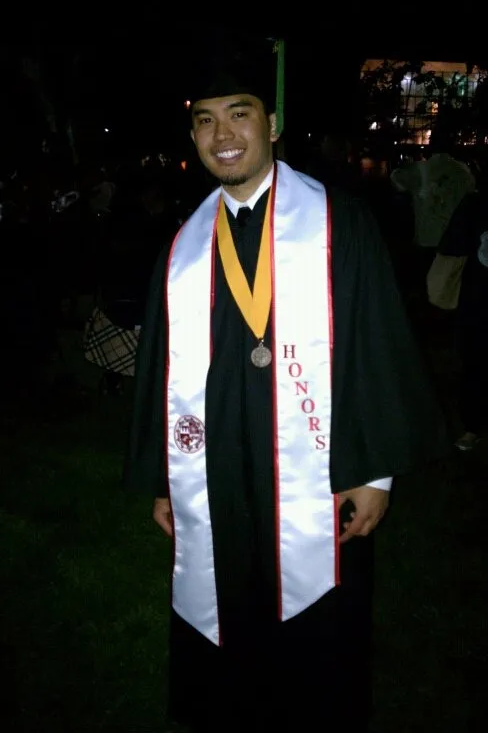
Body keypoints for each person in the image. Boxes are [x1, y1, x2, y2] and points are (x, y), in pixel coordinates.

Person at [125, 39, 448, 732]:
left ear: (272, 124)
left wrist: (377, 474)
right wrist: (163, 475)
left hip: (317, 474)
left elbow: (377, 347)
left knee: (317, 648)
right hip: (214, 475)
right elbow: (159, 373)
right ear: (193, 135)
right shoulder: (181, 248)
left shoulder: (339, 225)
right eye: (205, 120)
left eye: (238, 114)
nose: (223, 135)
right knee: (224, 626)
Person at [438, 180, 488, 451]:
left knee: (475, 363)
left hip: (478, 301)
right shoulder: (474, 204)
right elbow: (453, 245)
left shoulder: (474, 204)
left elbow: (451, 245)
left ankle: (473, 427)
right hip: (478, 300)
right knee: (475, 363)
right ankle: (472, 427)